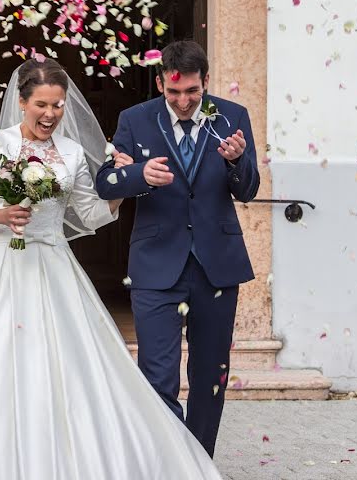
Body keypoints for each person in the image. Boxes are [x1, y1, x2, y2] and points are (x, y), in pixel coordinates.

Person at [0, 58, 225, 479]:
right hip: (1, 264)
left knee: (72, 364)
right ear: (22, 102)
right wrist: (1, 217)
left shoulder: (72, 152)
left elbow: (88, 214)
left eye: (57, 106)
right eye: (41, 104)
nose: (50, 114)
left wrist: (127, 185)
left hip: (54, 262)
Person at [95, 40, 260, 457]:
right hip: (155, 266)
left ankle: (198, 462)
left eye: (192, 92)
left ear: (205, 82)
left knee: (209, 376)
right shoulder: (134, 120)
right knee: (157, 375)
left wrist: (237, 162)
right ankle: (169, 461)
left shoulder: (232, 117)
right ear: (159, 83)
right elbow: (104, 183)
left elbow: (249, 189)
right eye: (174, 93)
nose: (183, 102)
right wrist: (138, 174)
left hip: (217, 267)